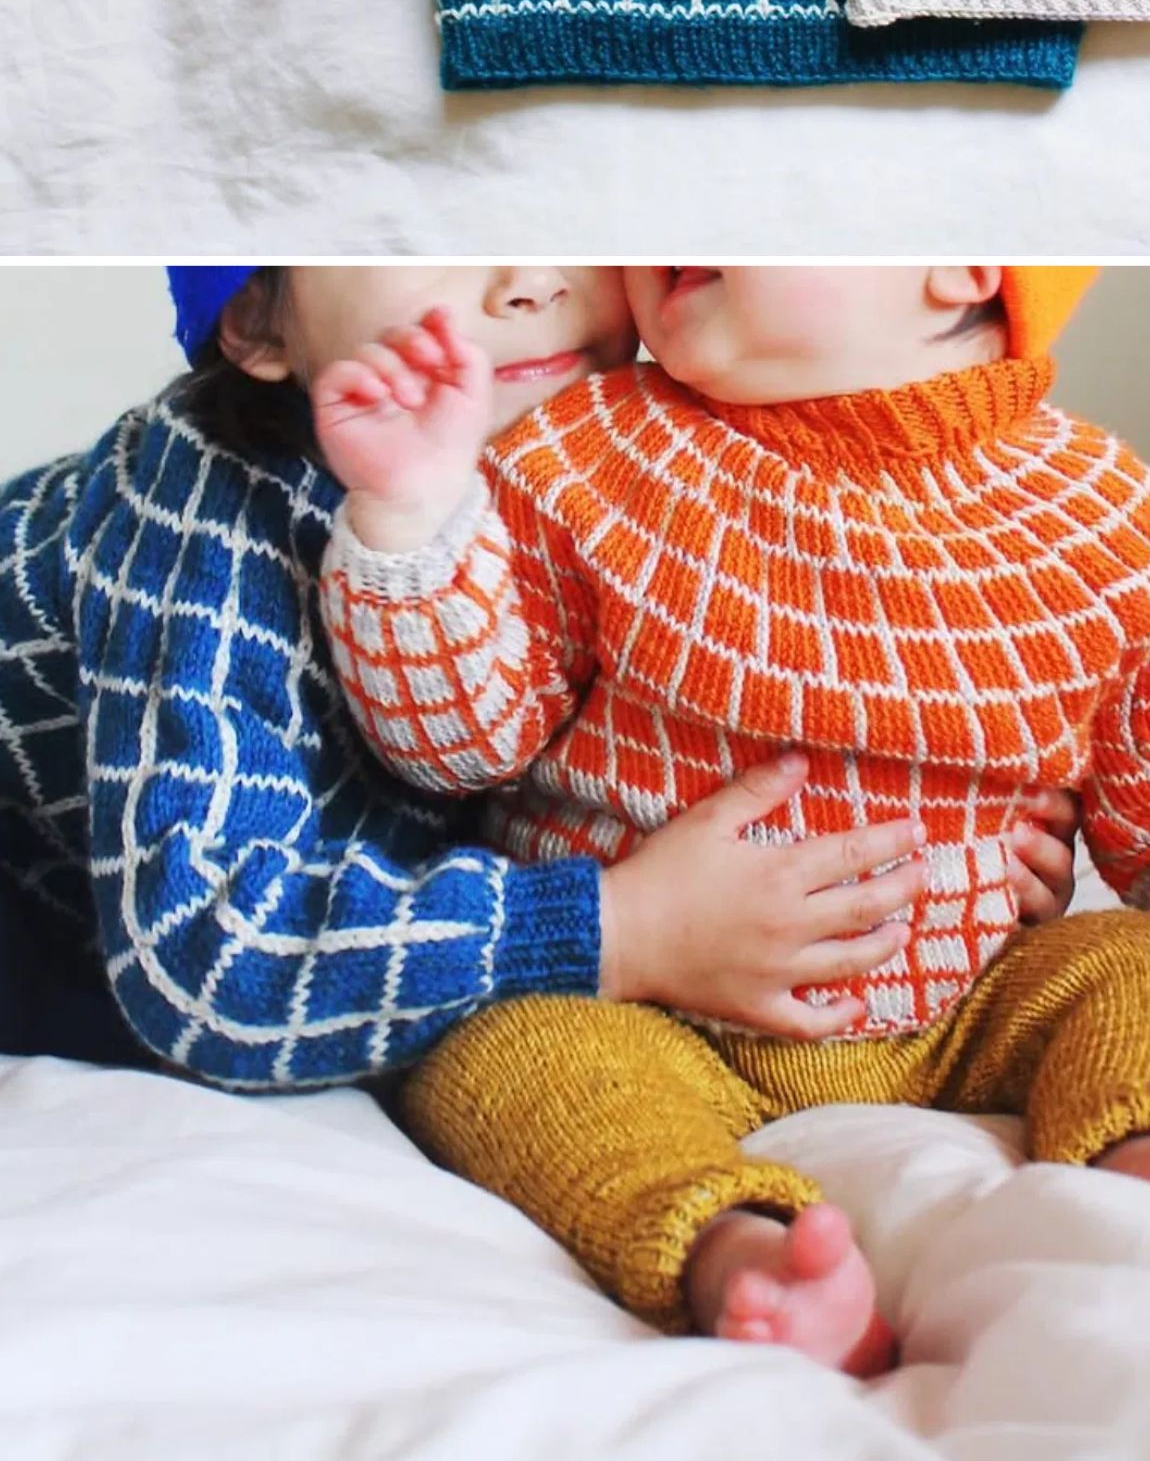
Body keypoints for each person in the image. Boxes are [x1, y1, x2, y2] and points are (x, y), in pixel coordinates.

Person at [311, 264, 1150, 1373]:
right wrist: (406, 519)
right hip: (658, 1016)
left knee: (1147, 965)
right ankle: (733, 1245)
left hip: (970, 1003)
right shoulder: (585, 453)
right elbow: (461, 745)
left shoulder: (1095, 514)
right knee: (500, 1048)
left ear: (968, 261)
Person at [1, 264, 1073, 1076]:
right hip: (48, 926)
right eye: (433, 234)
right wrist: (623, 930)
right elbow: (205, 955)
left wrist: (955, 851)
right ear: (256, 319)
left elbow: (703, 724)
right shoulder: (208, 515)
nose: (528, 282)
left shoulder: (627, 450)